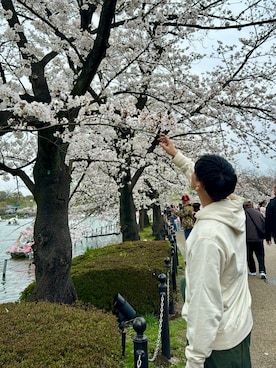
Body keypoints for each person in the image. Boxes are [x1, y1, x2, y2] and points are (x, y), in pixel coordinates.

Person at [159, 134, 252, 368]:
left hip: (218, 347)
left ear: (198, 184)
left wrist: (195, 360)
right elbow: (201, 176)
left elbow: (205, 302)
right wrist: (177, 156)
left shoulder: (207, 237)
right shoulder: (232, 208)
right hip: (240, 327)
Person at [243, 199, 266, 279]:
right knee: (260, 255)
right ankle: (262, 271)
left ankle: (252, 271)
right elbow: (264, 223)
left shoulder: (242, 215)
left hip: (247, 239)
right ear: (252, 205)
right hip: (258, 238)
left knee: (249, 255)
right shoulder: (259, 214)